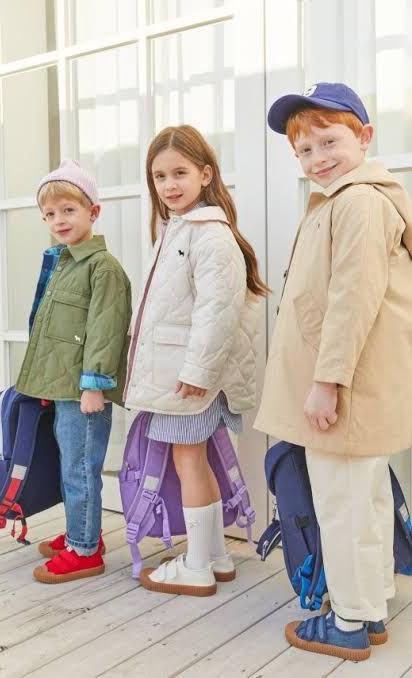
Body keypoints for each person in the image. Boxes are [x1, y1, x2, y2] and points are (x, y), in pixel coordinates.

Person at [254, 82, 412, 660]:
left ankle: (346, 623)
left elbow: (352, 299)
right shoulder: (345, 199)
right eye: (304, 149)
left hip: (346, 390)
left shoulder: (359, 202)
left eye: (329, 142)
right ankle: (368, 609)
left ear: (363, 136)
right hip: (356, 388)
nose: (317, 158)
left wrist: (328, 383)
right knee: (362, 502)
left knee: (343, 506)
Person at [124, 124, 268, 596]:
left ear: (205, 174)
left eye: (179, 173)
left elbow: (216, 313)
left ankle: (198, 565)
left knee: (188, 462)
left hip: (190, 378)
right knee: (195, 461)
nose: (169, 185)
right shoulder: (178, 230)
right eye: (159, 176)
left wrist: (197, 372)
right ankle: (216, 557)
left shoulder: (208, 235)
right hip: (183, 374)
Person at [16, 159, 131, 583]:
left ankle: (84, 551)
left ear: (93, 212)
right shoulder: (63, 264)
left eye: (69, 210)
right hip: (63, 388)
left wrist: (95, 385)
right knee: (70, 465)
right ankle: (82, 533)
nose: (59, 220)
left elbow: (105, 330)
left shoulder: (103, 268)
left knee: (81, 468)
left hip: (85, 392)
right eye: (50, 214)